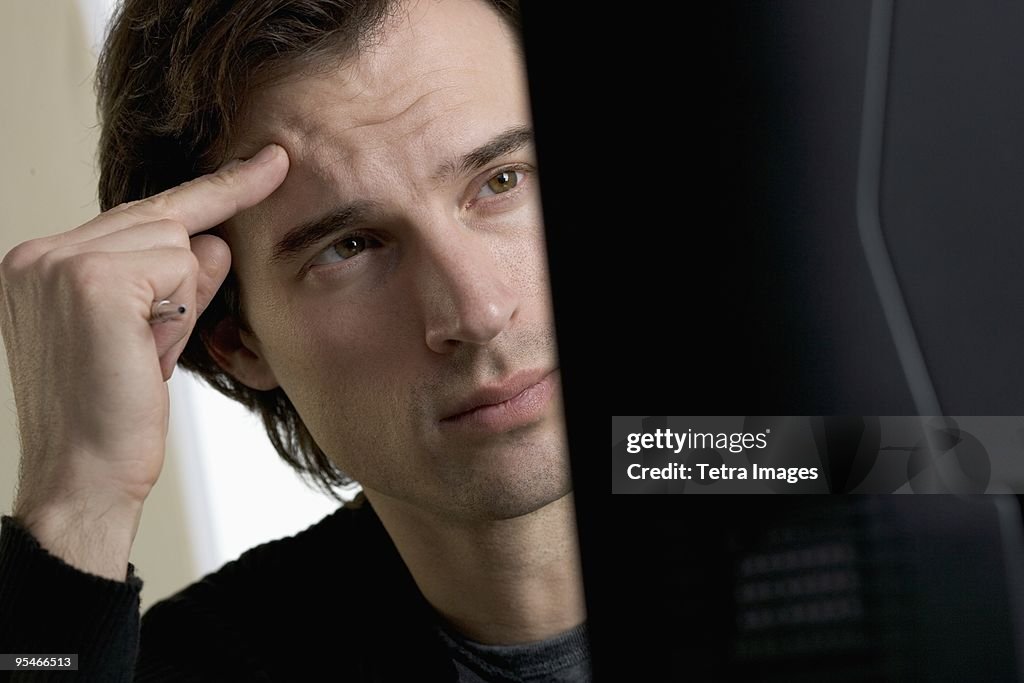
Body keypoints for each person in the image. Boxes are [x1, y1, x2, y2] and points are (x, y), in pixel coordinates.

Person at [0, 0, 589, 680]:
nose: (477, 310)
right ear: (236, 340)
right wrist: (75, 501)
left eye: (502, 182)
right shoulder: (207, 660)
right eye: (351, 247)